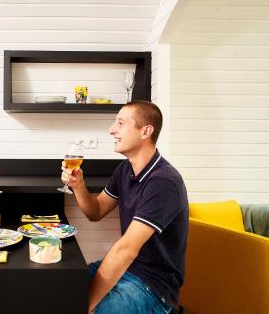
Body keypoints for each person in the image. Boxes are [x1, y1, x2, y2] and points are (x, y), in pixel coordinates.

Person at [61, 100, 188, 314]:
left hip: (153, 286)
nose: (112, 130)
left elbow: (126, 250)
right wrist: (78, 185)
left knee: (84, 306)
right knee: (57, 290)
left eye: (120, 123)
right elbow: (96, 211)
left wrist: (90, 303)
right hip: (127, 270)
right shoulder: (124, 170)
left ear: (145, 131)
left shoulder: (164, 181)